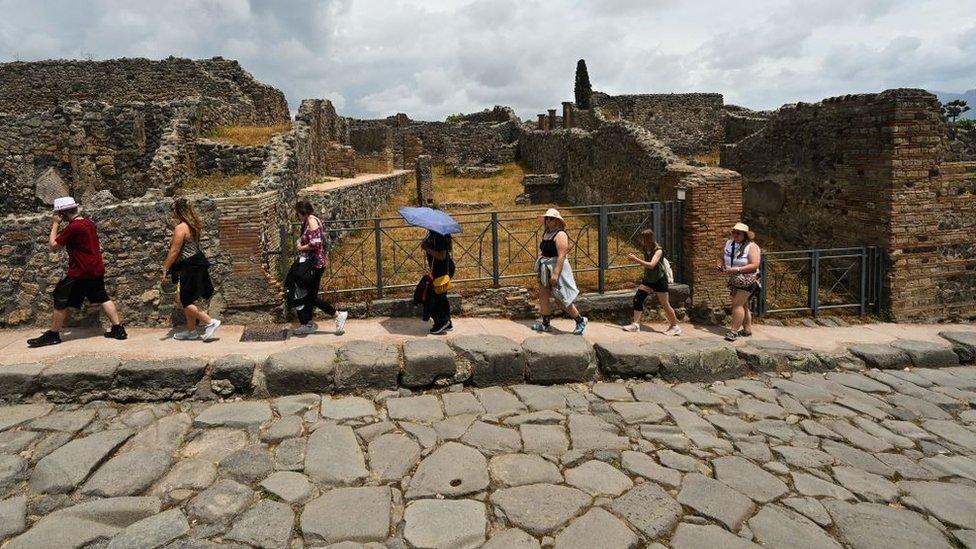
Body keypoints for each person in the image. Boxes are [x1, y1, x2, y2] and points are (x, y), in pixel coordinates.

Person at [28, 197, 127, 347]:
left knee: (60, 297)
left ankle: (53, 335)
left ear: (62, 213)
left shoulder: (73, 227)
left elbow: (53, 245)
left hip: (80, 271)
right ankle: (118, 329)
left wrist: (55, 223)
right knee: (102, 296)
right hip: (95, 268)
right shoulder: (88, 223)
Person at [161, 198, 221, 341]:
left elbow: (174, 251)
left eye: (173, 209)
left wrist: (165, 268)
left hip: (189, 267)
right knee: (186, 299)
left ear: (178, 211)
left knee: (184, 301)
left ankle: (210, 322)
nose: (172, 212)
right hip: (195, 264)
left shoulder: (180, 228)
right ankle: (192, 331)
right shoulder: (193, 225)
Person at [289, 200, 347, 336]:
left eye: (297, 213)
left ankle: (337, 314)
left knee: (308, 296)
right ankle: (307, 324)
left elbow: (316, 243)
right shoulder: (311, 220)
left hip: (313, 265)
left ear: (301, 212)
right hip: (315, 264)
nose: (296, 216)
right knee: (310, 295)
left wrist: (301, 247)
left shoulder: (312, 222)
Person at [532, 208, 587, 335]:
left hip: (557, 268)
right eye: (546, 218)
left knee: (561, 297)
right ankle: (545, 324)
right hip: (545, 268)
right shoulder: (547, 234)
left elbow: (562, 255)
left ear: (557, 221)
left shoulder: (560, 234)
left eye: (551, 218)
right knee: (544, 295)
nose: (548, 221)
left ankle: (580, 320)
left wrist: (556, 274)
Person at [623, 229, 681, 335]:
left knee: (665, 305)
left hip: (659, 280)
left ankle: (675, 326)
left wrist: (635, 259)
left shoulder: (658, 250)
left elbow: (651, 265)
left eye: (641, 238)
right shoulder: (645, 248)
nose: (639, 240)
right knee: (638, 298)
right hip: (649, 279)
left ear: (647, 239)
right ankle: (636, 325)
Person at [719, 222, 761, 341]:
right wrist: (720, 265)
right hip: (734, 279)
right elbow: (721, 257)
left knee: (737, 304)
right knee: (743, 304)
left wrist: (737, 269)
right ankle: (747, 330)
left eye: (738, 233)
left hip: (748, 279)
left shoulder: (752, 246)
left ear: (745, 235)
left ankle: (733, 331)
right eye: (734, 232)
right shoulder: (729, 243)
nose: (735, 235)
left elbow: (755, 264)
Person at [421, 229, 454, 334]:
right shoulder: (434, 234)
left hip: (442, 270)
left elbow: (442, 256)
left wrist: (426, 248)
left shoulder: (440, 235)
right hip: (438, 270)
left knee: (435, 297)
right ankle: (447, 322)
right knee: (441, 297)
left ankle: (441, 322)